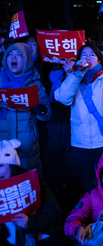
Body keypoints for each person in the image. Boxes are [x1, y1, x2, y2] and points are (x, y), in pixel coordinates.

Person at [55, 43, 103, 193]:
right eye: (84, 55)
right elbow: (62, 98)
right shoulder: (74, 78)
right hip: (80, 142)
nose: (87, 58)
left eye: (92, 55)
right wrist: (75, 74)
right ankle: (89, 212)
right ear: (78, 60)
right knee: (85, 180)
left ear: (99, 59)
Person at [0, 139, 68, 246]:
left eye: (1, 166)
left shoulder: (33, 182)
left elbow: (55, 213)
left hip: (42, 236)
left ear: (12, 165)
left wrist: (30, 222)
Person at [0, 43, 52, 176]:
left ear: (26, 60)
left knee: (30, 184)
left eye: (19, 55)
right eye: (10, 54)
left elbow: (47, 114)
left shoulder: (35, 83)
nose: (14, 57)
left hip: (28, 147)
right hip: (3, 146)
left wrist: (40, 109)